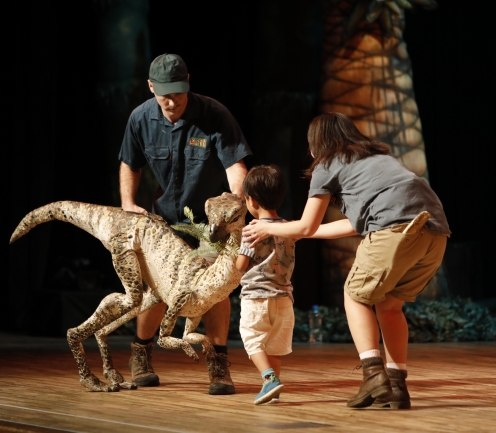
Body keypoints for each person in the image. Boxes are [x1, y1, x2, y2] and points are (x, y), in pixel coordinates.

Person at [242, 112, 450, 409]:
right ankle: (397, 386)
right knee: (390, 306)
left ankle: (373, 376)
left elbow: (305, 225)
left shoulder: (327, 164)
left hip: (393, 230)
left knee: (354, 296)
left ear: (317, 143)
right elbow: (351, 225)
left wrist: (271, 227)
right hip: (435, 233)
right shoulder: (379, 158)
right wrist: (300, 234)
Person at [118, 53, 252, 395]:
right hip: (164, 221)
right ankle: (141, 353)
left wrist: (235, 204)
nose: (171, 99)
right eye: (164, 92)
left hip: (210, 224)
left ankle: (218, 361)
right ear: (151, 87)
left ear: (188, 82)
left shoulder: (214, 114)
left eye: (178, 91)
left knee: (215, 288)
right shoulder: (140, 119)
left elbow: (236, 165)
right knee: (157, 291)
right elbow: (129, 163)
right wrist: (128, 204)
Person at [235, 165, 296, 405]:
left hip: (256, 298)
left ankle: (269, 378)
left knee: (251, 338)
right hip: (283, 298)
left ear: (251, 200)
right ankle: (273, 387)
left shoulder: (251, 229)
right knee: (275, 347)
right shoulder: (290, 227)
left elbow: (241, 265)